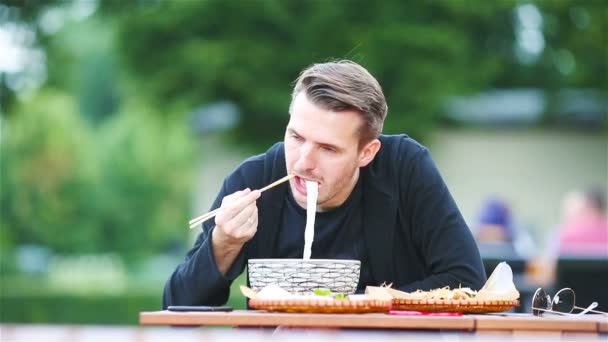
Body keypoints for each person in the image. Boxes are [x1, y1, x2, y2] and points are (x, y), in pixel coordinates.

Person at [163, 60, 486, 308]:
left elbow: (466, 280)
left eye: (328, 148)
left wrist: (356, 308)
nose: (304, 161)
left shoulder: (403, 168)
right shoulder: (256, 179)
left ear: (367, 152)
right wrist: (224, 244)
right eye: (296, 137)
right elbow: (176, 304)